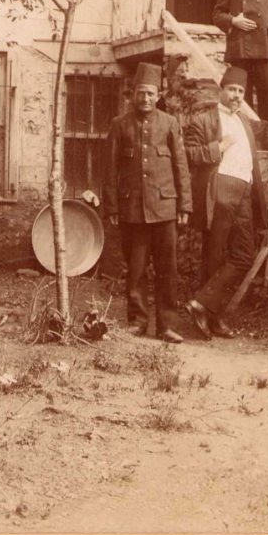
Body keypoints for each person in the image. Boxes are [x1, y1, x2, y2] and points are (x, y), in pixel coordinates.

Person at [183, 68, 268, 340]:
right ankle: (213, 318)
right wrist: (218, 148)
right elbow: (187, 154)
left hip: (244, 190)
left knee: (244, 255)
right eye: (232, 89)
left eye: (240, 91)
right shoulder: (203, 120)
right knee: (214, 255)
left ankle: (203, 304)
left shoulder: (245, 122)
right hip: (219, 188)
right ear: (220, 90)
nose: (236, 95)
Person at [102, 62, 191, 343]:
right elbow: (110, 169)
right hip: (133, 209)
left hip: (165, 208)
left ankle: (167, 326)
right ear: (133, 94)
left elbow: (181, 166)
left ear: (158, 95)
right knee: (136, 269)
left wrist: (184, 206)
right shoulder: (120, 124)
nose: (145, 98)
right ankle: (137, 321)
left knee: (168, 269)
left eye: (150, 93)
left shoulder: (170, 123)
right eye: (141, 93)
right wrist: (112, 206)